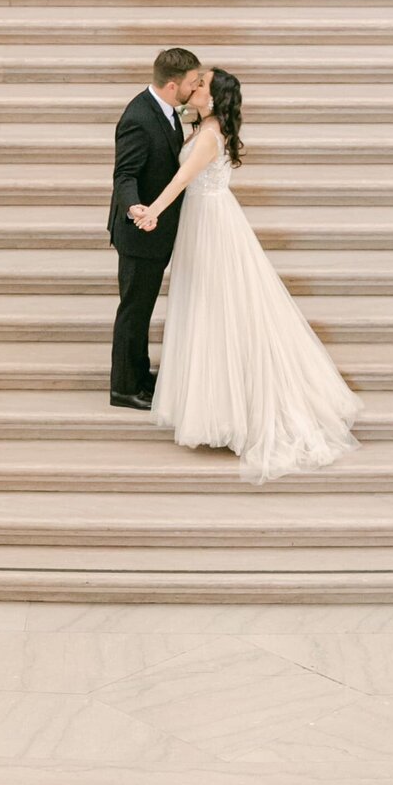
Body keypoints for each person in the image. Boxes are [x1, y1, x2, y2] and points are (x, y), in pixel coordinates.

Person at [129, 67, 360, 482]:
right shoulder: (205, 128)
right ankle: (216, 402)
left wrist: (152, 213)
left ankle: (229, 408)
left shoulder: (210, 135)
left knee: (218, 306)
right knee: (209, 306)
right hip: (207, 220)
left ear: (214, 98)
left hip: (213, 227)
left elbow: (183, 180)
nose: (194, 87)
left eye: (201, 85)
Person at [107, 47, 205, 408]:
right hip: (140, 234)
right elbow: (125, 174)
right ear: (171, 85)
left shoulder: (166, 109)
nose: (195, 89)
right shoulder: (138, 118)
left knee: (142, 308)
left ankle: (139, 374)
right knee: (134, 310)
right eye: (192, 83)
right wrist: (134, 206)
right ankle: (124, 388)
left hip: (157, 230)